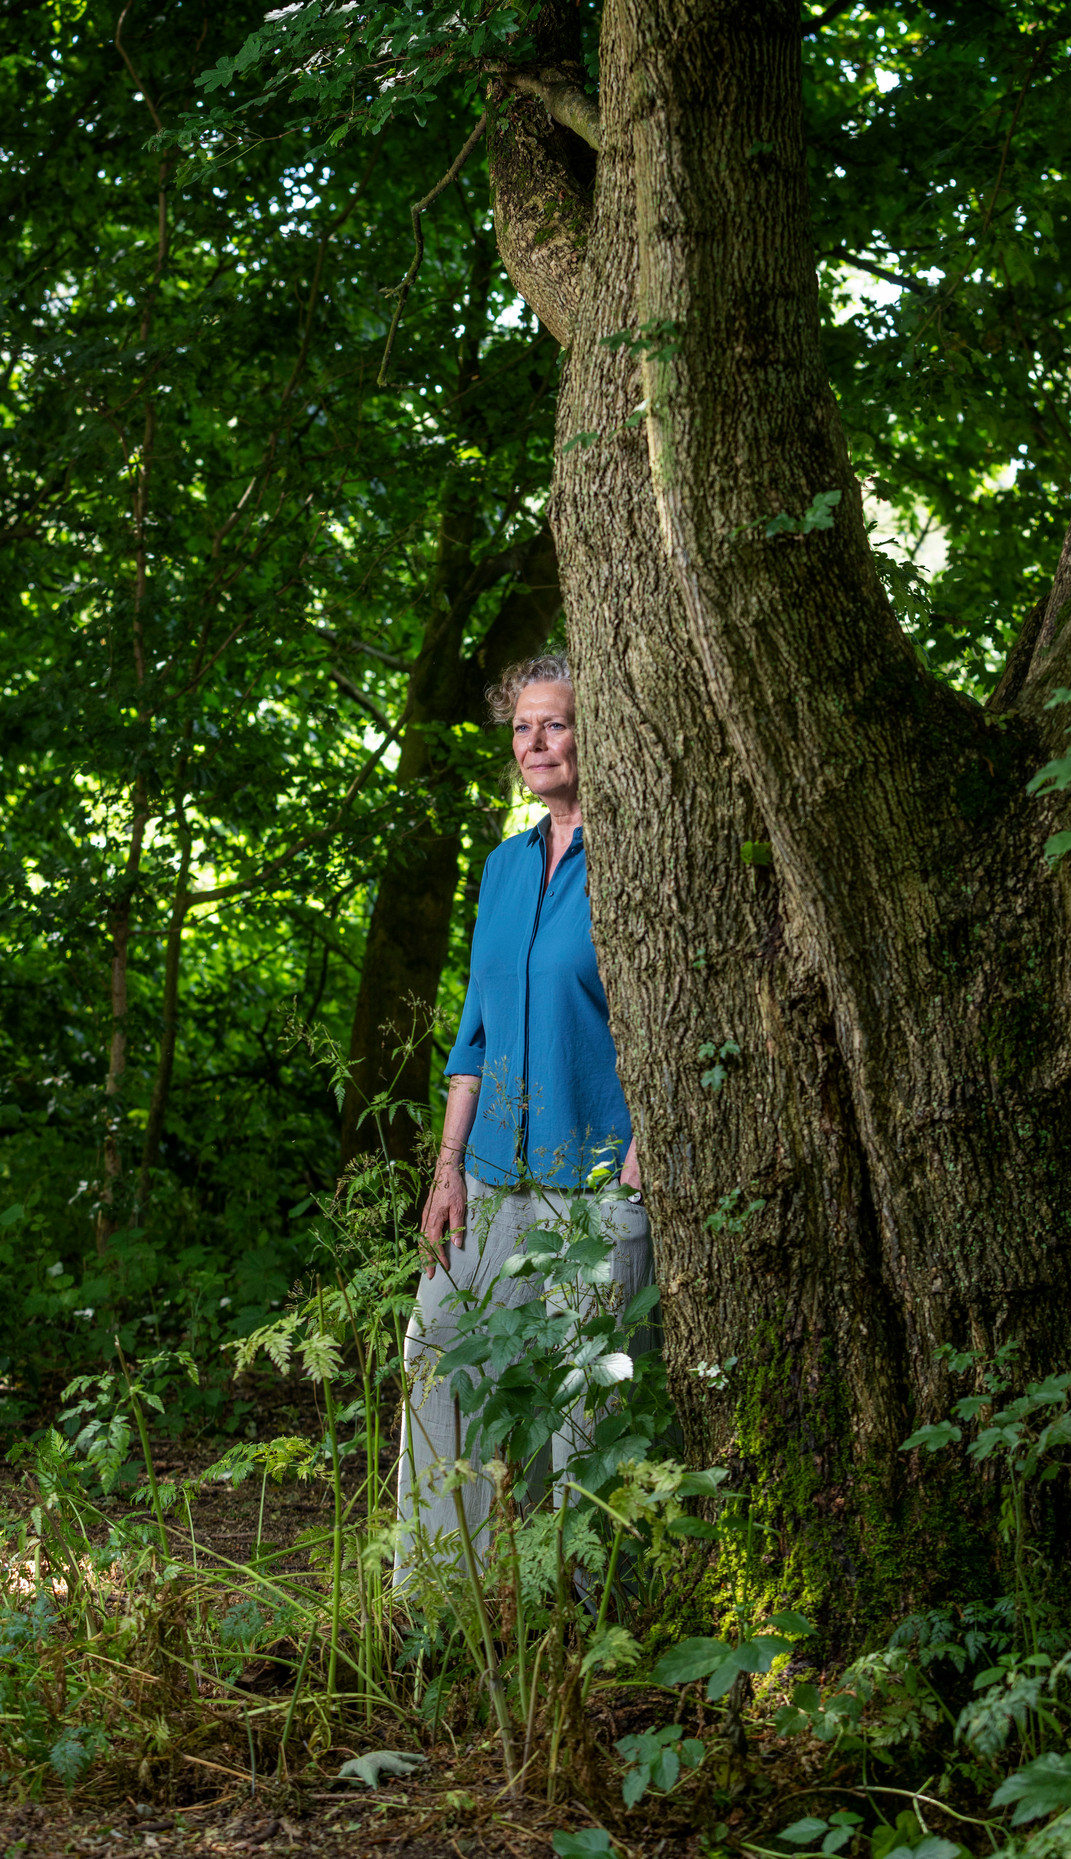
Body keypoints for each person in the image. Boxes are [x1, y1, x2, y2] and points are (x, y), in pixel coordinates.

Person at [394, 654, 653, 1573]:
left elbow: (673, 1016)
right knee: (440, 1357)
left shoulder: (636, 855)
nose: (535, 744)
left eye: (556, 724)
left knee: (590, 1406)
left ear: (596, 733)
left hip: (596, 1177)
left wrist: (647, 1147)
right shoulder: (504, 867)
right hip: (494, 1176)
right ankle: (438, 1596)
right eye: (521, 728)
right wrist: (448, 1165)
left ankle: (590, 1615)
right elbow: (472, 1034)